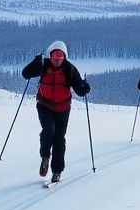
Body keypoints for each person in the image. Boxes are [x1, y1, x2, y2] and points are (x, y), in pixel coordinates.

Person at [21, 40, 90, 183]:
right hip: (44, 106)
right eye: (54, 56)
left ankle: (57, 171)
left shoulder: (69, 69)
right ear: (50, 56)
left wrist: (84, 87)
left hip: (63, 109)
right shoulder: (43, 65)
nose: (57, 59)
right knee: (49, 131)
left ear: (65, 57)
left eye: (60, 56)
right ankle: (45, 157)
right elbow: (26, 74)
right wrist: (35, 63)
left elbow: (79, 90)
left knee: (59, 137)